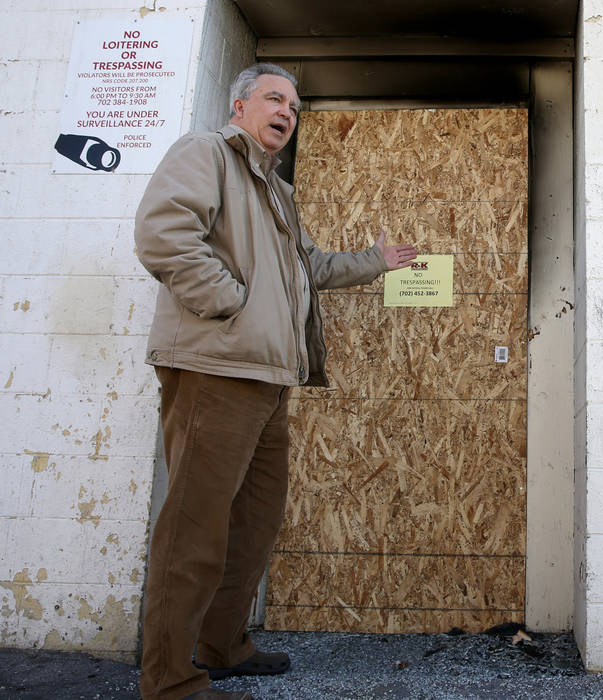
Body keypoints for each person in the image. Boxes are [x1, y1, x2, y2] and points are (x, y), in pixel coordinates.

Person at [133, 63, 417, 700]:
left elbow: (310, 266)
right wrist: (231, 303)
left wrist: (377, 262)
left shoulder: (277, 191)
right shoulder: (207, 153)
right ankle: (170, 679)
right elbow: (163, 233)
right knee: (196, 528)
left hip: (267, 380)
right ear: (240, 107)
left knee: (254, 522)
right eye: (274, 98)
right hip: (216, 370)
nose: (287, 111)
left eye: (294, 104)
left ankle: (221, 643)